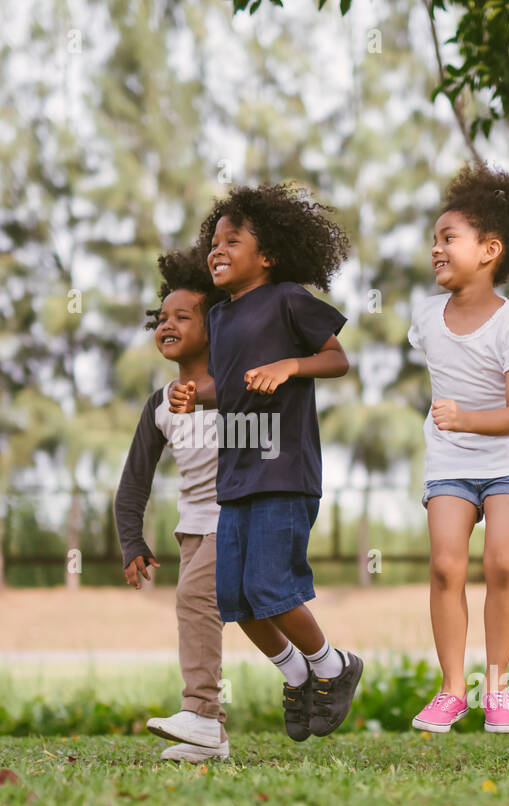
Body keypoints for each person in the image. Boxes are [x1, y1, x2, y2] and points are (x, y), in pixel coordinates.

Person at [173, 183, 361, 743]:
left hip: (283, 471)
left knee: (271, 586)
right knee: (236, 597)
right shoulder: (223, 319)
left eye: (234, 240)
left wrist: (289, 366)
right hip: (236, 479)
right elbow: (228, 385)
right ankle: (298, 672)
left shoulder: (287, 299)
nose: (218, 249)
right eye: (214, 241)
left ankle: (334, 666)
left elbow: (337, 359)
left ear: (268, 255)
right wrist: (196, 394)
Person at [407, 161, 509, 735]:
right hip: (451, 457)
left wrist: (464, 417)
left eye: (449, 239)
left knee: (501, 563)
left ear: (489, 249)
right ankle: (452, 692)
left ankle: (497, 689)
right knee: (446, 566)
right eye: (435, 241)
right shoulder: (426, 317)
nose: (437, 250)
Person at [114, 248, 229, 762]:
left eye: (184, 316)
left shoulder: (237, 385)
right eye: (162, 318)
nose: (168, 324)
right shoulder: (160, 404)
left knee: (194, 602)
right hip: (194, 527)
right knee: (206, 609)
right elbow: (134, 480)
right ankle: (212, 739)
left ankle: (202, 713)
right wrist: (132, 540)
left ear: (215, 324)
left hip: (238, 516)